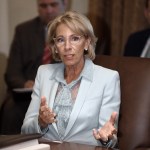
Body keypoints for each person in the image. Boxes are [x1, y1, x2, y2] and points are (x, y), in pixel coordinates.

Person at [21, 11, 121, 148]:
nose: (67, 47)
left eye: (75, 38)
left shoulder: (108, 78)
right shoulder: (43, 73)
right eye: (61, 40)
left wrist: (106, 138)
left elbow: (110, 139)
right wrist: (41, 122)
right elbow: (25, 130)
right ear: (55, 47)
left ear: (87, 42)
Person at [0, 0, 68, 134]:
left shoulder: (72, 31)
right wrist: (25, 83)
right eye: (43, 6)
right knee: (10, 110)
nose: (48, 10)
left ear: (64, 4)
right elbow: (12, 72)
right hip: (26, 95)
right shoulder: (23, 31)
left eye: (53, 5)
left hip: (58, 90)